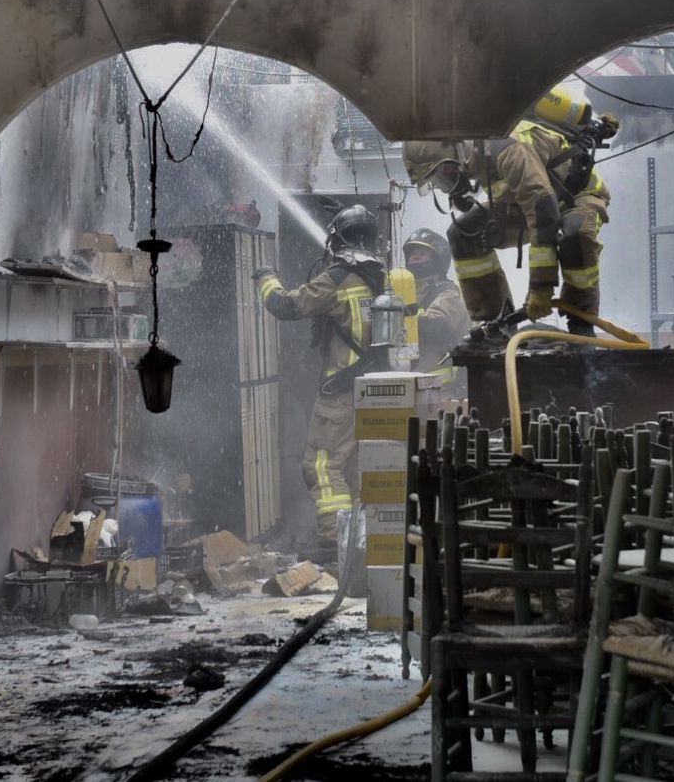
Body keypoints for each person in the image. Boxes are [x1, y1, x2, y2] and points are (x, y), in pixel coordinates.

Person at [403, 105, 616, 336]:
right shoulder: (475, 156)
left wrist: (540, 288)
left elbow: (543, 211)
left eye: (444, 176)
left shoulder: (509, 151)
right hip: (524, 205)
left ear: (456, 154)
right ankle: (494, 322)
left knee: (575, 235)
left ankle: (581, 320)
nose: (447, 185)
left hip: (576, 197)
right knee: (462, 232)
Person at [252, 204, 388, 555]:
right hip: (375, 390)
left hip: (341, 392)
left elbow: (285, 306)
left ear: (338, 237)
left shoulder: (339, 277)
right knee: (357, 467)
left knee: (322, 465)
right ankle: (362, 542)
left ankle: (335, 542)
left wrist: (265, 278)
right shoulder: (380, 275)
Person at [402, 227, 470, 396]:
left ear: (438, 259)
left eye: (422, 253)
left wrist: (398, 317)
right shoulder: (404, 292)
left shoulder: (449, 293)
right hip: (407, 383)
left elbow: (438, 326)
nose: (414, 256)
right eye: (412, 253)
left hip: (439, 389)